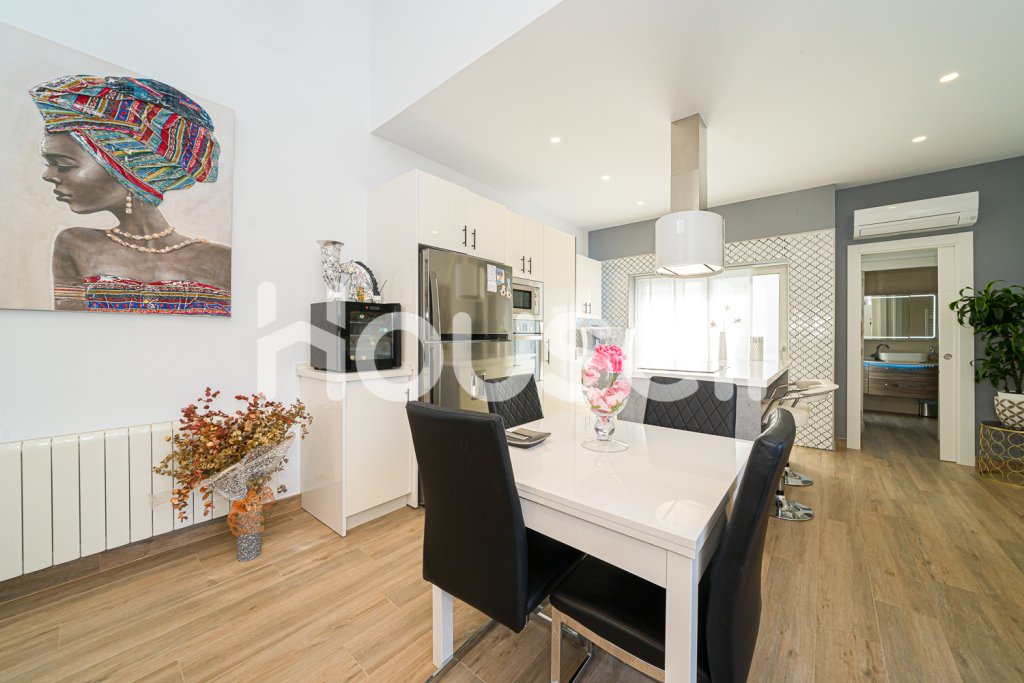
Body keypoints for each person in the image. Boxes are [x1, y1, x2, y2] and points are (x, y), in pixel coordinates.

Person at [31, 75, 230, 315]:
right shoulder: (75, 243)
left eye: (63, 165)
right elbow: (70, 328)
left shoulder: (224, 259)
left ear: (125, 167)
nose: (49, 176)